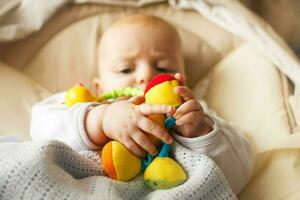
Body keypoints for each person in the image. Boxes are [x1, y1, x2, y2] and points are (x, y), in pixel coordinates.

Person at [30, 14, 254, 194]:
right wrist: (100, 120)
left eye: (163, 68)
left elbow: (239, 173)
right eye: (126, 69)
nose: (145, 76)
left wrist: (200, 133)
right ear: (98, 87)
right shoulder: (92, 105)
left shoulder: (193, 113)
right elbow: (40, 130)